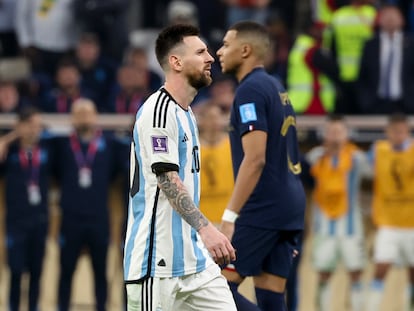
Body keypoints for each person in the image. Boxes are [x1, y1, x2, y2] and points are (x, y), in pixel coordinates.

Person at [123, 24, 237, 311]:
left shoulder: (186, 113)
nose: (210, 57)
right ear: (176, 62)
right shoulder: (157, 111)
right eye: (200, 52)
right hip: (156, 262)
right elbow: (167, 180)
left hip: (195, 261)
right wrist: (207, 229)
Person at [216, 21, 306, 311]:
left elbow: (255, 159)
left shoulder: (250, 91)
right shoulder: (275, 87)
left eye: (226, 45)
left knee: (212, 290)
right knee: (270, 295)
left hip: (262, 208)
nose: (219, 52)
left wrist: (230, 216)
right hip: (288, 207)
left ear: (245, 50)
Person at [54, 98, 126, 311]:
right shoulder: (62, 145)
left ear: (96, 117)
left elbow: (116, 173)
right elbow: (55, 172)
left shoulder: (109, 146)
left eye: (88, 112)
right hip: (70, 218)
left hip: (98, 218)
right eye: (79, 113)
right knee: (66, 270)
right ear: (72, 118)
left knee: (100, 271)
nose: (84, 117)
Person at [306, 115, 366, 311]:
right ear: (325, 134)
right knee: (324, 273)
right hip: (324, 227)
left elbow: (373, 174)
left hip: (351, 226)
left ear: (347, 134)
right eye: (331, 131)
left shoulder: (356, 158)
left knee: (356, 272)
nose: (335, 136)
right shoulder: (315, 157)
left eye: (339, 131)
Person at [0, 106, 54, 311]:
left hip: (40, 220)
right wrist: (10, 137)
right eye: (31, 125)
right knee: (15, 271)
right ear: (20, 126)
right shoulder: (10, 151)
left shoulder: (48, 149)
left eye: (38, 125)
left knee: (36, 271)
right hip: (16, 222)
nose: (35, 130)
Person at [366, 113, 414, 311]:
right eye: (395, 132)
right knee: (380, 269)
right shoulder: (377, 151)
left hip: (411, 222)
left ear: (408, 132)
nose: (398, 135)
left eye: (402, 132)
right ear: (388, 132)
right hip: (387, 222)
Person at [357, 4, 414, 114]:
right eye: (386, 15)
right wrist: (365, 101)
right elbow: (362, 76)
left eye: (394, 15)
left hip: (407, 103)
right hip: (376, 103)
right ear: (379, 20)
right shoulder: (370, 45)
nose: (390, 19)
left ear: (402, 20)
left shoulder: (411, 44)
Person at [197, 103, 234, 225]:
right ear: (201, 121)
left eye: (217, 117)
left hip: (227, 217)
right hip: (202, 219)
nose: (214, 122)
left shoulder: (232, 147)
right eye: (210, 117)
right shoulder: (193, 148)